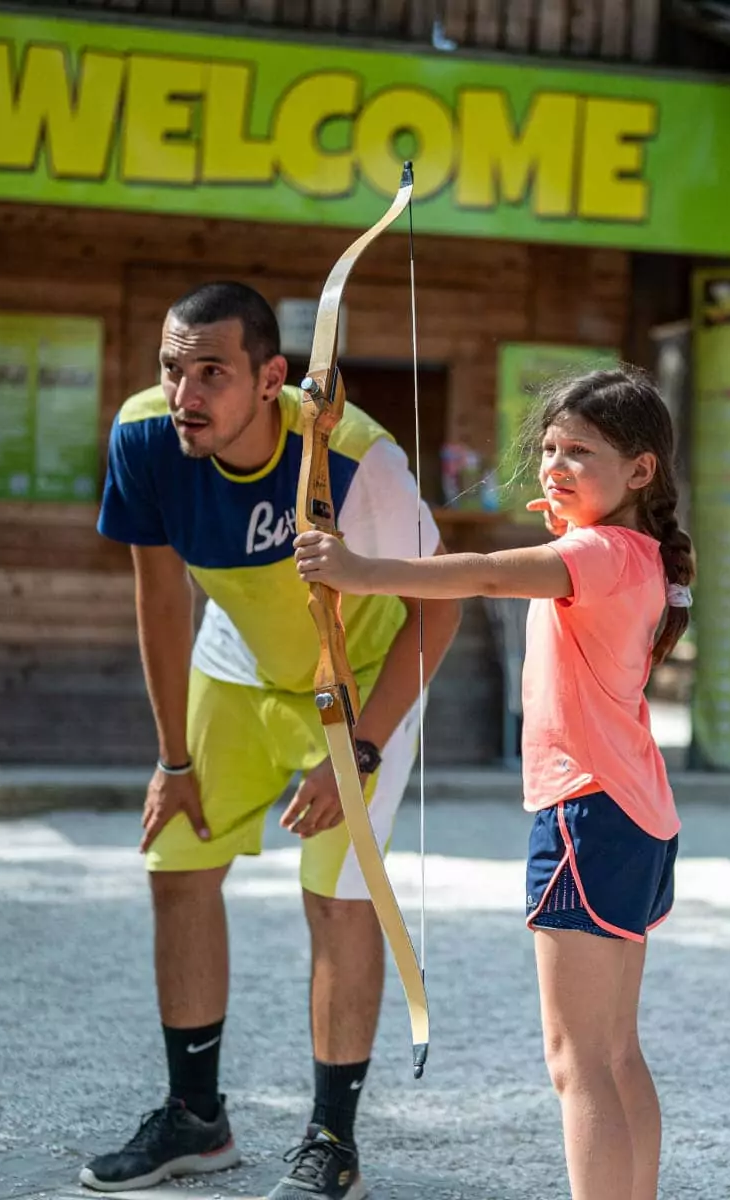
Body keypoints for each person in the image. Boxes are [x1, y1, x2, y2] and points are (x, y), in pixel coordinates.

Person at [84, 282, 461, 1196]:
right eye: (174, 369)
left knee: (334, 895)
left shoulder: (356, 457)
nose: (186, 395)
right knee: (176, 863)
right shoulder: (144, 437)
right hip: (238, 658)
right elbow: (160, 598)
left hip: (357, 679)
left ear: (272, 378)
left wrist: (362, 750)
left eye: (212, 372)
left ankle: (332, 1141)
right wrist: (174, 759)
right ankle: (196, 1120)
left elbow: (438, 608)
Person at [295, 366, 690, 1200]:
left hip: (587, 813)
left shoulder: (592, 553)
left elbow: (477, 574)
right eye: (548, 448)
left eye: (580, 452)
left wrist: (358, 571)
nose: (554, 465)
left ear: (642, 470)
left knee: (575, 1062)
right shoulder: (636, 553)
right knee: (616, 1050)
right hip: (634, 812)